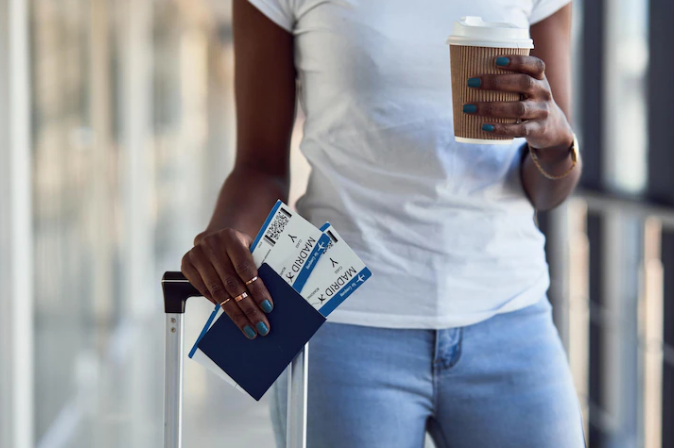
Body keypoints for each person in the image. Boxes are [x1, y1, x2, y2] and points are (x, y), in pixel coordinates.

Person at [181, 0, 585, 446]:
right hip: (345, 329)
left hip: (511, 317)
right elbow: (260, 166)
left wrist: (555, 142)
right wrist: (225, 235)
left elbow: (548, 187)